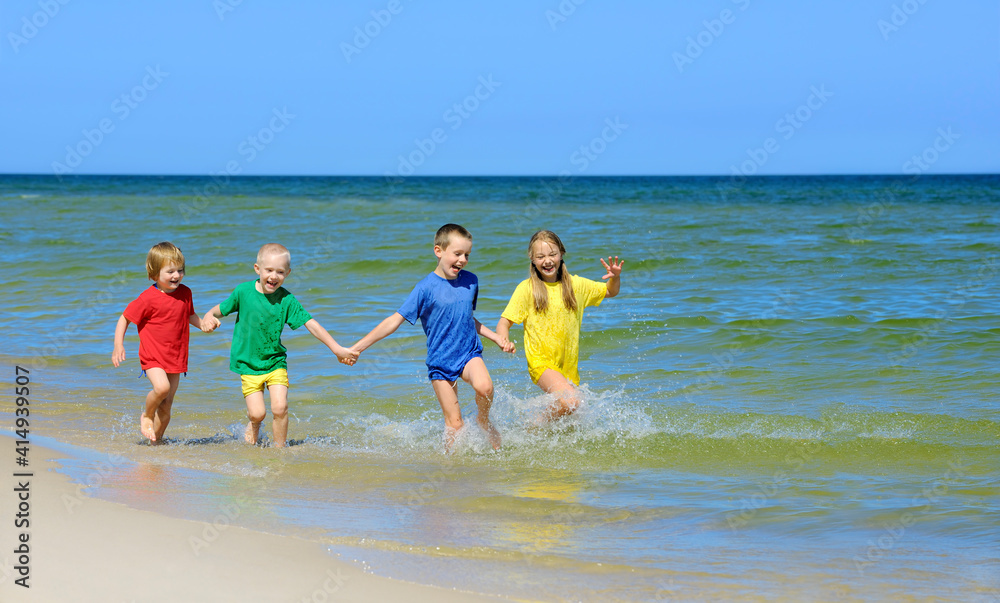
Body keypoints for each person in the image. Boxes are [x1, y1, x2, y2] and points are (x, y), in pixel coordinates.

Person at [350, 224, 514, 451]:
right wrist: (358, 347)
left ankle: (483, 421)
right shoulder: (424, 288)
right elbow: (394, 321)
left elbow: (468, 318)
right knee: (455, 425)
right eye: (457, 254)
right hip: (440, 362)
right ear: (439, 251)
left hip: (468, 352)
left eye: (467, 255)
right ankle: (448, 470)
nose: (463, 260)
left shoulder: (471, 281)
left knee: (485, 388)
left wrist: (495, 337)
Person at [201, 243, 356, 448]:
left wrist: (336, 348)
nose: (274, 276)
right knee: (258, 414)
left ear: (288, 273)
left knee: (280, 408)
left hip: (275, 362)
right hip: (248, 364)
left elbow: (311, 324)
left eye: (280, 272)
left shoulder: (287, 300)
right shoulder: (243, 292)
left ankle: (279, 449)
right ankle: (254, 424)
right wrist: (208, 316)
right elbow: (220, 309)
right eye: (269, 270)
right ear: (258, 269)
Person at [495, 230, 623, 420]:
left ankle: (532, 435)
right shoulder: (526, 289)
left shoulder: (576, 285)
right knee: (571, 401)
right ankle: (534, 425)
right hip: (541, 363)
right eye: (540, 256)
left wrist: (615, 277)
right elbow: (504, 322)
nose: (547, 261)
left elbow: (610, 292)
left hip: (568, 367)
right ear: (532, 259)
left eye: (552, 254)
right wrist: (503, 339)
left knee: (571, 418)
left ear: (561, 254)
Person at [112, 241, 210, 443]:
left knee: (166, 407)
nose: (177, 275)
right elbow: (125, 318)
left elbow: (189, 315)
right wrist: (118, 345)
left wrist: (203, 325)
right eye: (170, 271)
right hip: (153, 356)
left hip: (176, 357)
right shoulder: (148, 298)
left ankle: (155, 443)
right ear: (154, 274)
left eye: (180, 270)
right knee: (162, 389)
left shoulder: (186, 293)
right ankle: (147, 415)